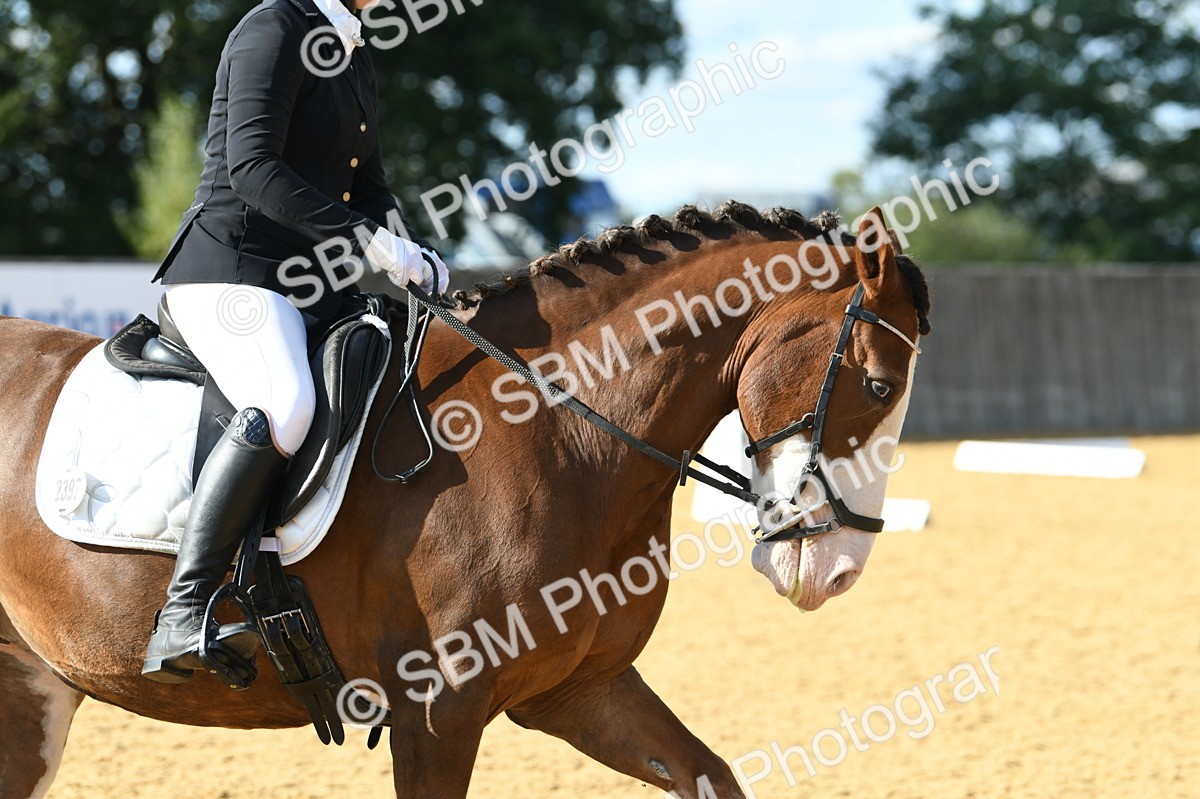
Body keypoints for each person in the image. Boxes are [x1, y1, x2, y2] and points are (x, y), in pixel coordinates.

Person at [141, 0, 447, 683]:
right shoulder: (273, 27)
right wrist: (367, 241)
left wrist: (417, 250)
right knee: (284, 402)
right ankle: (183, 611)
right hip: (233, 268)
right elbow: (251, 167)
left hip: (307, 283)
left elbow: (366, 187)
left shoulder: (352, 51)